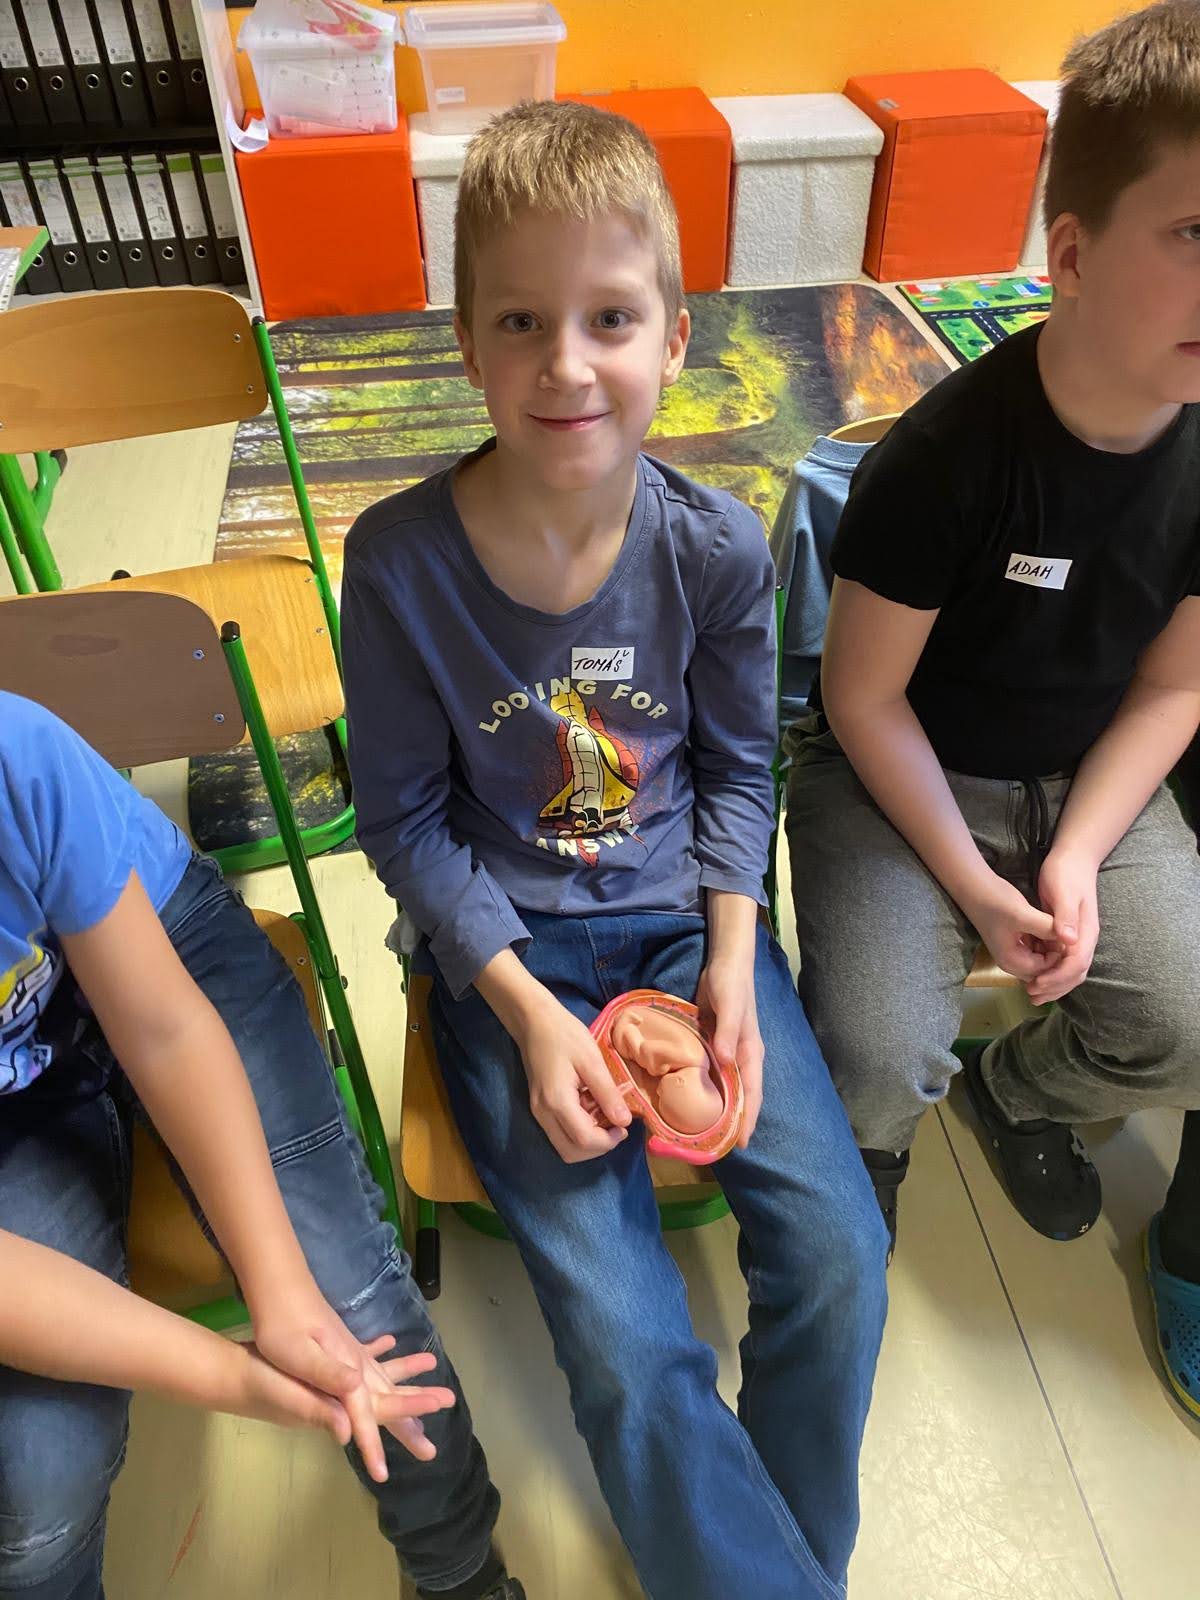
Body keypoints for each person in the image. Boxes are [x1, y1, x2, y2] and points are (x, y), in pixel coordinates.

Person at [341, 99, 888, 1600]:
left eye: (610, 318)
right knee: (633, 1351)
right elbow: (403, 821)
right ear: (467, 342)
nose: (566, 364)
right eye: (520, 320)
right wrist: (526, 1015)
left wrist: (734, 959)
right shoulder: (399, 563)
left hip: (685, 932)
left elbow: (739, 770)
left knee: (840, 1256)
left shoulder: (715, 547)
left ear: (676, 337)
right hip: (506, 960)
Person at [785, 0, 1200, 1418]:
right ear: (1071, 255)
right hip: (898, 769)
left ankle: (1013, 1092)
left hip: (1085, 773)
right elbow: (860, 698)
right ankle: (874, 1163)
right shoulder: (946, 458)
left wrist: (1076, 855)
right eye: (1195, 233)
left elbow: (1176, 684)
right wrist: (974, 880)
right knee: (874, 1050)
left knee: (1187, 1022)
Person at [0, 690, 522, 1600]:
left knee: (351, 1301)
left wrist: (280, 1289)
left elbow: (163, 1028)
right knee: (33, 1496)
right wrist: (235, 1378)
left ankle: (461, 1573)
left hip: (156, 935)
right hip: (25, 1097)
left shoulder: (15, 753)